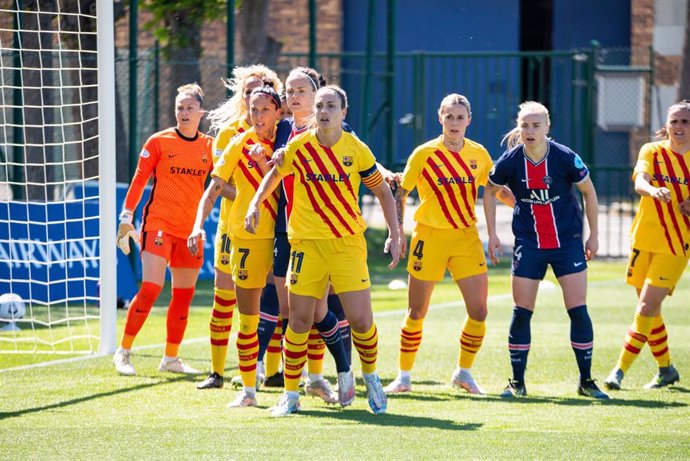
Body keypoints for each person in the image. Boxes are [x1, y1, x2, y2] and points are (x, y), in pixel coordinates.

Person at [245, 85, 401, 416]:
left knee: (361, 321)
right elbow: (274, 176)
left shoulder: (356, 149)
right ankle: (290, 395)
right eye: (320, 106)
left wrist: (395, 234)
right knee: (298, 320)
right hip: (307, 246)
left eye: (331, 105)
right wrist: (255, 204)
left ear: (344, 112)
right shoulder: (297, 147)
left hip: (347, 246)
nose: (325, 111)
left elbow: (384, 193)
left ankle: (370, 377)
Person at [384, 94, 514, 396]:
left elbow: (495, 190)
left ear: (469, 120)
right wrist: (398, 234)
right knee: (416, 311)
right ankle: (403, 377)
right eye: (449, 117)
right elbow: (400, 193)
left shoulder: (479, 154)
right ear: (440, 118)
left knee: (479, 311)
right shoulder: (424, 153)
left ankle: (463, 373)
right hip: (429, 237)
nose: (454, 123)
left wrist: (523, 205)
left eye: (460, 117)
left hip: (466, 239)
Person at [485, 101, 609, 399]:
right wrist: (492, 234)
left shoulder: (565, 157)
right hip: (529, 244)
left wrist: (593, 236)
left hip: (567, 243)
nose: (529, 131)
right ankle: (517, 383)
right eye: (525, 125)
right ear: (519, 127)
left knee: (578, 310)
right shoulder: (510, 161)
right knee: (521, 312)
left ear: (547, 127)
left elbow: (589, 192)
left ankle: (587, 381)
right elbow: (489, 191)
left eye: (536, 125)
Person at [188, 85, 283, 408]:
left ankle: (301, 385)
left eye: (264, 110)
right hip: (247, 239)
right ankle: (248, 391)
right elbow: (213, 188)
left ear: (278, 112)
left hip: (286, 237)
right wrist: (197, 226)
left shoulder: (289, 143)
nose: (258, 116)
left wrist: (262, 165)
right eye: (253, 109)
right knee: (249, 317)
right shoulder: (238, 142)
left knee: (298, 314)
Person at [113, 83, 213, 376]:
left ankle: (171, 358)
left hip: (190, 231)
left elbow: (220, 182)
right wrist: (126, 215)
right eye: (179, 108)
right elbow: (139, 179)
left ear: (200, 112)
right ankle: (124, 352)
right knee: (152, 288)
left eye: (189, 108)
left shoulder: (210, 146)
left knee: (183, 296)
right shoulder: (159, 141)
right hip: (158, 224)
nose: (183, 112)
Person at [604, 100, 690, 390]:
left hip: (676, 245)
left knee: (645, 307)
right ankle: (666, 368)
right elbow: (640, 182)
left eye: (685, 121)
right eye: (674, 121)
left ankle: (619, 371)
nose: (679, 127)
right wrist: (655, 190)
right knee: (649, 309)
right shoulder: (651, 151)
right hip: (643, 238)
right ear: (666, 125)